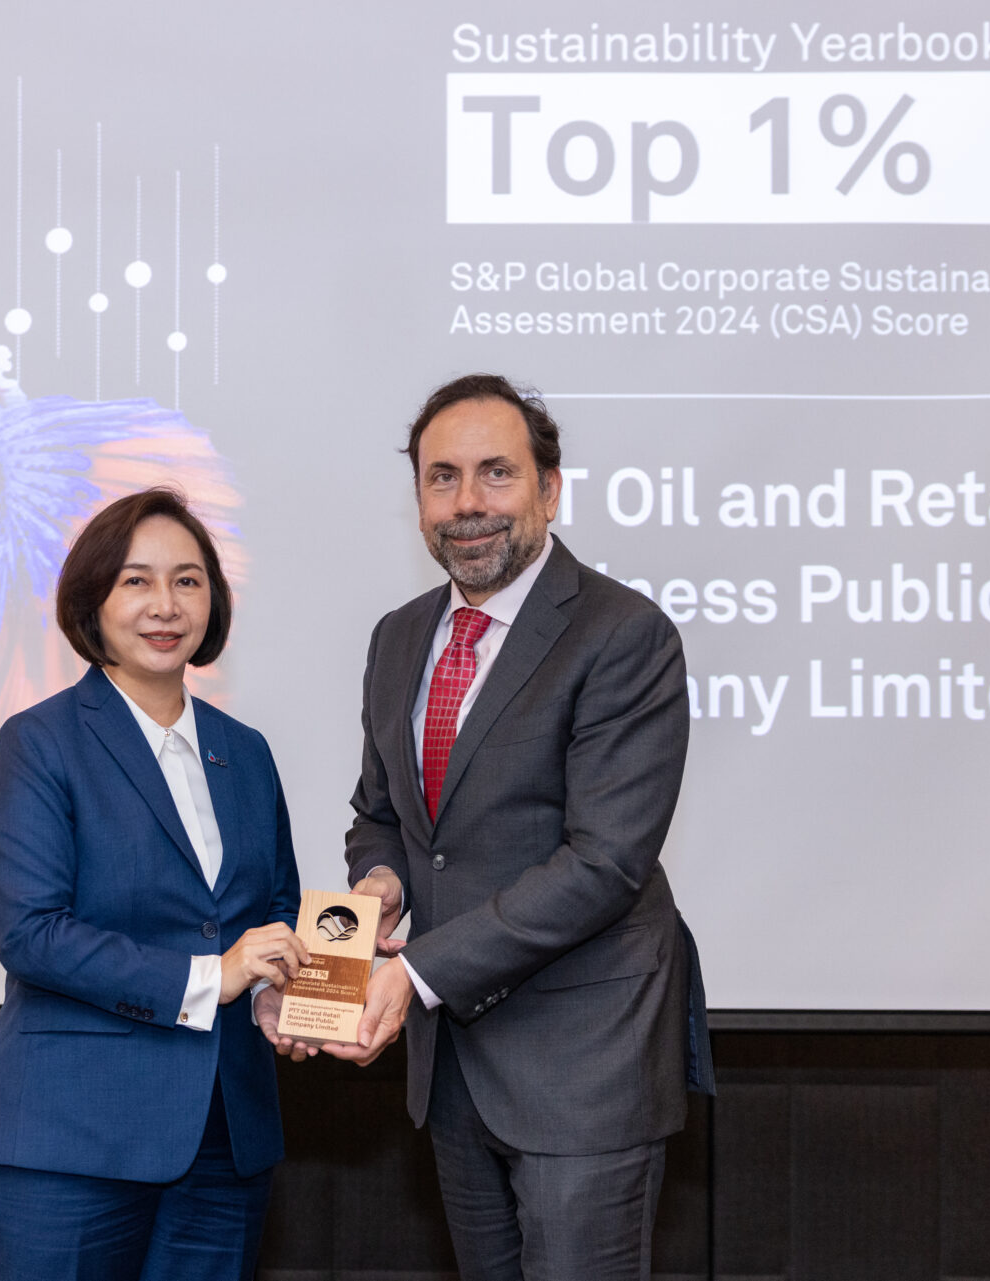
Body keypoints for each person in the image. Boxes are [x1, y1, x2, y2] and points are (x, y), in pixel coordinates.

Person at [315, 374, 708, 1280]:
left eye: (496, 472)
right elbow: (383, 815)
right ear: (419, 499)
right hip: (454, 1070)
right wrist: (382, 883)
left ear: (549, 488)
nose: (468, 502)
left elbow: (604, 863)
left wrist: (415, 972)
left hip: (583, 1064)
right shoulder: (398, 637)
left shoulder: (623, 634)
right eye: (442, 477)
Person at [0, 487, 310, 1281]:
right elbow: (31, 932)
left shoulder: (245, 751)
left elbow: (275, 907)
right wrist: (213, 976)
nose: (166, 605)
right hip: (69, 1142)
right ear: (93, 599)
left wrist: (275, 989)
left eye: (188, 580)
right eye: (136, 581)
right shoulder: (40, 742)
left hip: (225, 1139)